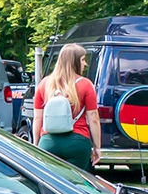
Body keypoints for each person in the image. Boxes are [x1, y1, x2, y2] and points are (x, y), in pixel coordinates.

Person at [32, 42, 101, 170]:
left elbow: (37, 119)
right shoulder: (86, 85)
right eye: (82, 60)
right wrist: (97, 147)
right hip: (77, 142)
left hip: (48, 142)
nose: (85, 64)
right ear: (74, 62)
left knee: (51, 183)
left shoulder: (44, 84)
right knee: (75, 184)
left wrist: (36, 144)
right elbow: (93, 119)